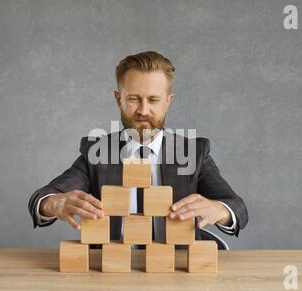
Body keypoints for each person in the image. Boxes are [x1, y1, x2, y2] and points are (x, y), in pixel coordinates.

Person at [28, 51, 248, 242]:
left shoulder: (193, 153)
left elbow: (237, 207)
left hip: (175, 272)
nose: (143, 110)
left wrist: (218, 209)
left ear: (167, 101)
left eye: (153, 100)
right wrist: (53, 204)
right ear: (118, 99)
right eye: (133, 99)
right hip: (112, 272)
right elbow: (44, 197)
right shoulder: (97, 152)